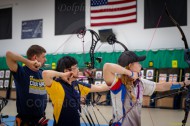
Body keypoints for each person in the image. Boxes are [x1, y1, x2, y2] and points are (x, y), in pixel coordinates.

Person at [103, 50, 190, 126]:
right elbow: (107, 66)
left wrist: (184, 83)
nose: (140, 65)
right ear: (130, 65)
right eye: (138, 63)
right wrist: (131, 74)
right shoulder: (117, 83)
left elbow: (162, 86)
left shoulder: (140, 83)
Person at [42, 56, 109, 126]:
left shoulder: (76, 84)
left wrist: (116, 83)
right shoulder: (56, 86)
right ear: (66, 71)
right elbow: (45, 73)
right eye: (75, 67)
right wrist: (63, 74)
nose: (78, 70)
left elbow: (100, 87)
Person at [6, 45, 48, 126]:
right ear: (35, 57)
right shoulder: (22, 72)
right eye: (43, 57)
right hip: (26, 121)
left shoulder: (42, 73)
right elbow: (8, 54)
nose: (45, 59)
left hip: (41, 119)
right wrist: (28, 62)